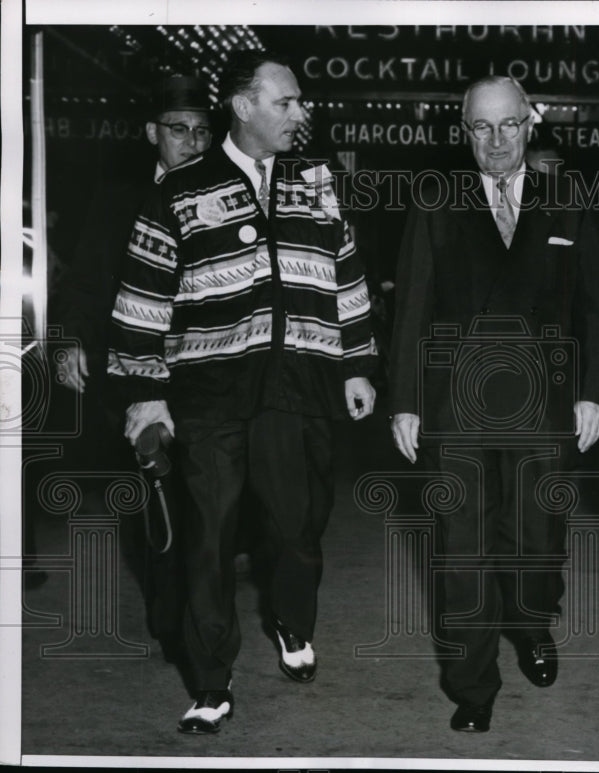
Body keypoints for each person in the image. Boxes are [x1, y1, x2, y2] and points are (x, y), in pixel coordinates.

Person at [107, 50, 378, 734]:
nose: (299, 113)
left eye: (300, 102)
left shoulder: (316, 181)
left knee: (297, 530)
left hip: (298, 387)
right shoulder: (179, 190)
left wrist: (356, 364)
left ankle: (290, 619)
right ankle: (210, 677)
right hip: (209, 393)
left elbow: (345, 271)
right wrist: (146, 394)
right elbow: (141, 297)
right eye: (285, 102)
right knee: (208, 539)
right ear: (243, 106)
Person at [388, 76, 599, 733]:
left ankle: (535, 620)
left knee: (537, 544)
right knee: (462, 553)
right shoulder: (435, 201)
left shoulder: (570, 201)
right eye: (480, 127)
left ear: (530, 124)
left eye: (508, 125)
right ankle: (472, 684)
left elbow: (598, 308)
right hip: (454, 405)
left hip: (545, 405)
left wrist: (595, 392)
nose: (494, 140)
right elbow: (412, 309)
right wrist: (404, 401)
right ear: (464, 131)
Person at [52, 74, 213, 655]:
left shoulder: (229, 195)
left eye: (201, 131)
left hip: (208, 378)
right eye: (178, 130)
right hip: (136, 376)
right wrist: (70, 339)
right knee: (158, 501)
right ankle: (174, 622)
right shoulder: (118, 199)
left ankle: (201, 614)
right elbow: (87, 281)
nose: (191, 142)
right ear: (153, 134)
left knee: (210, 503)